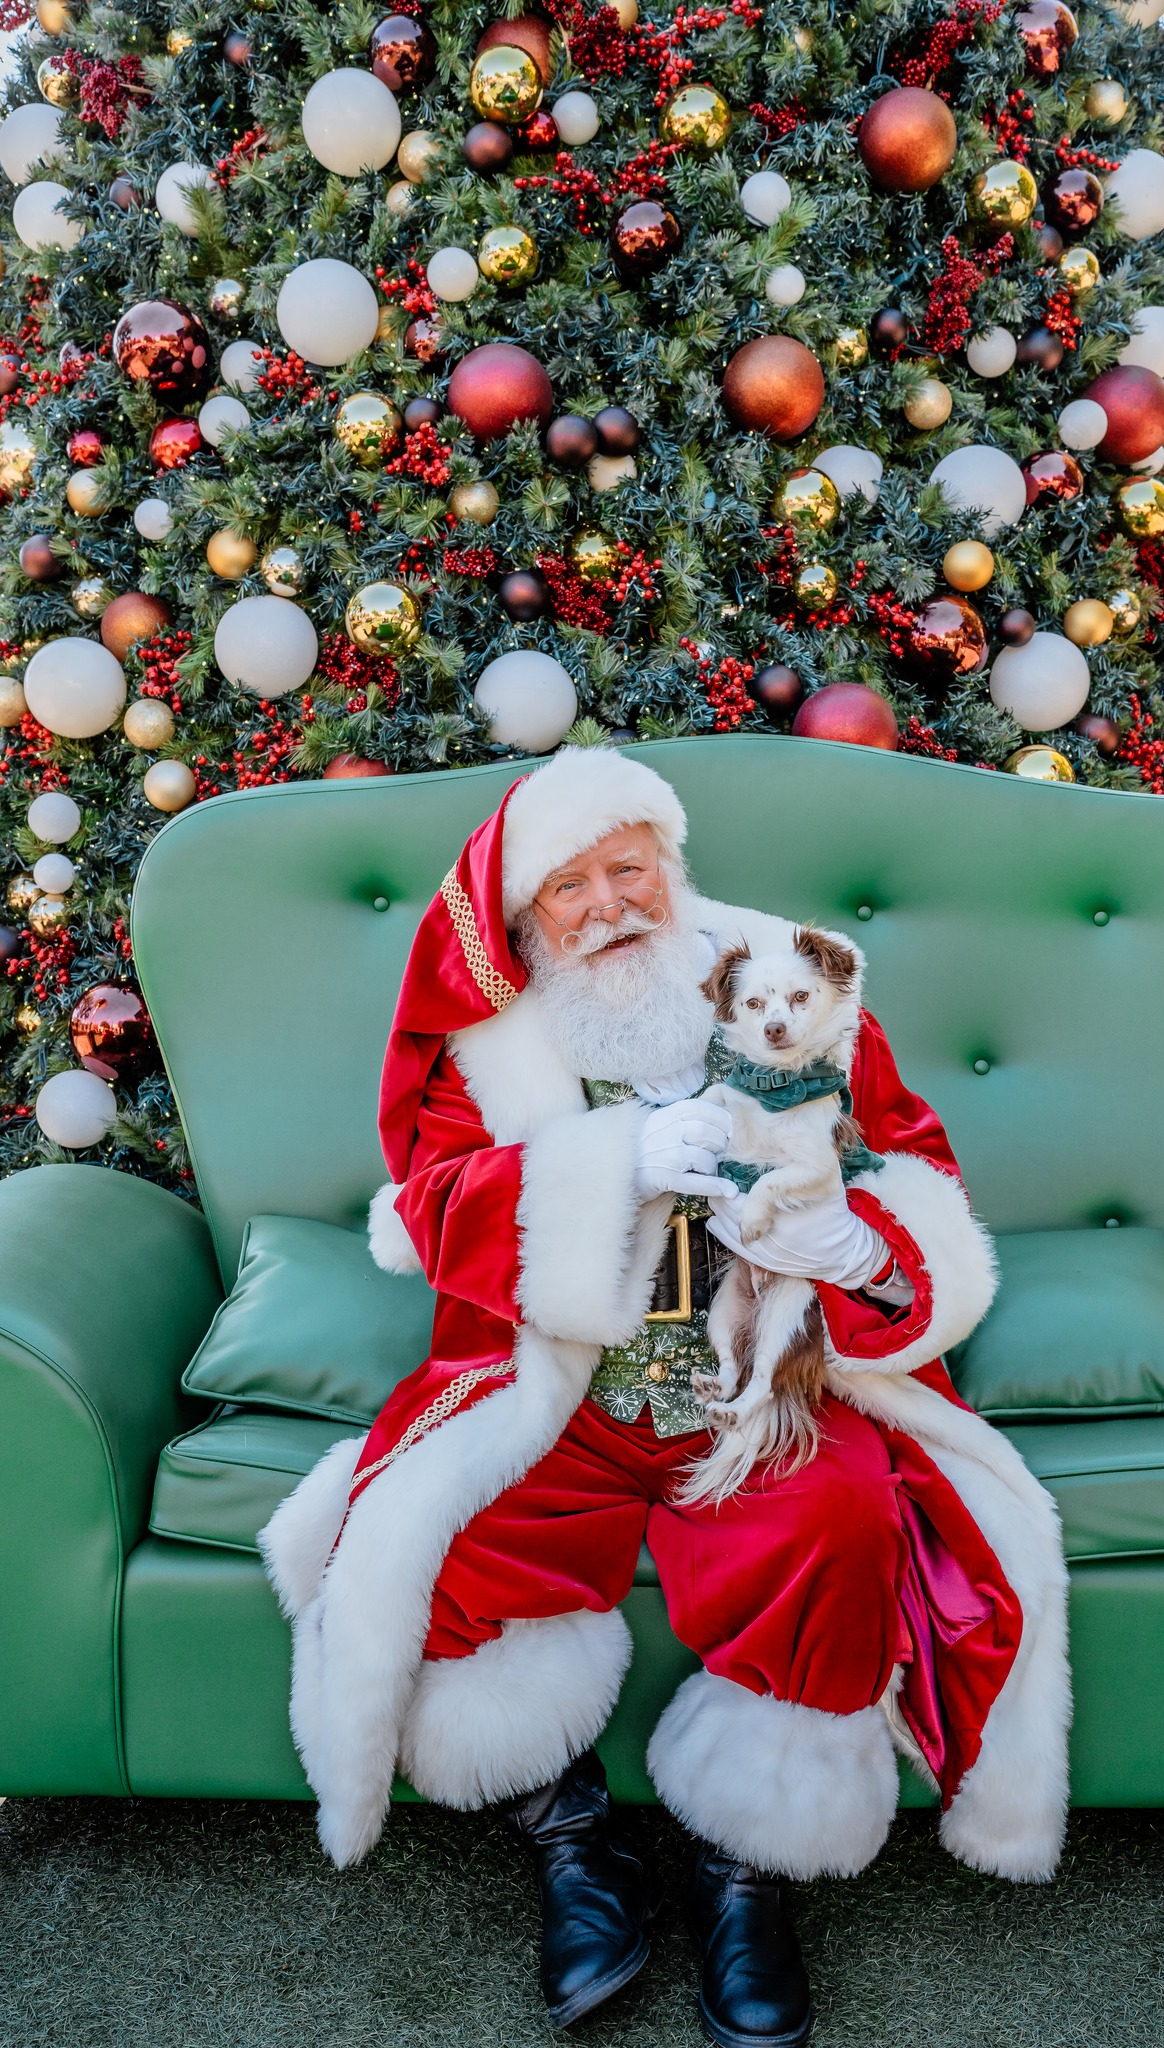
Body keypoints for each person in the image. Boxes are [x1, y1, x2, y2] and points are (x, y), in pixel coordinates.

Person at [262, 747, 1070, 2048]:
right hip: (565, 1383)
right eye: (569, 886)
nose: (608, 903)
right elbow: (428, 1201)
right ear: (527, 918)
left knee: (841, 1522)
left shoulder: (784, 975)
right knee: (434, 1531)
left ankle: (747, 1860)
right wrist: (614, 1163)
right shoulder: (490, 1037)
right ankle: (569, 1827)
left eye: (628, 867)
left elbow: (911, 1155)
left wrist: (860, 1250)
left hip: (761, 1388)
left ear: (670, 865)